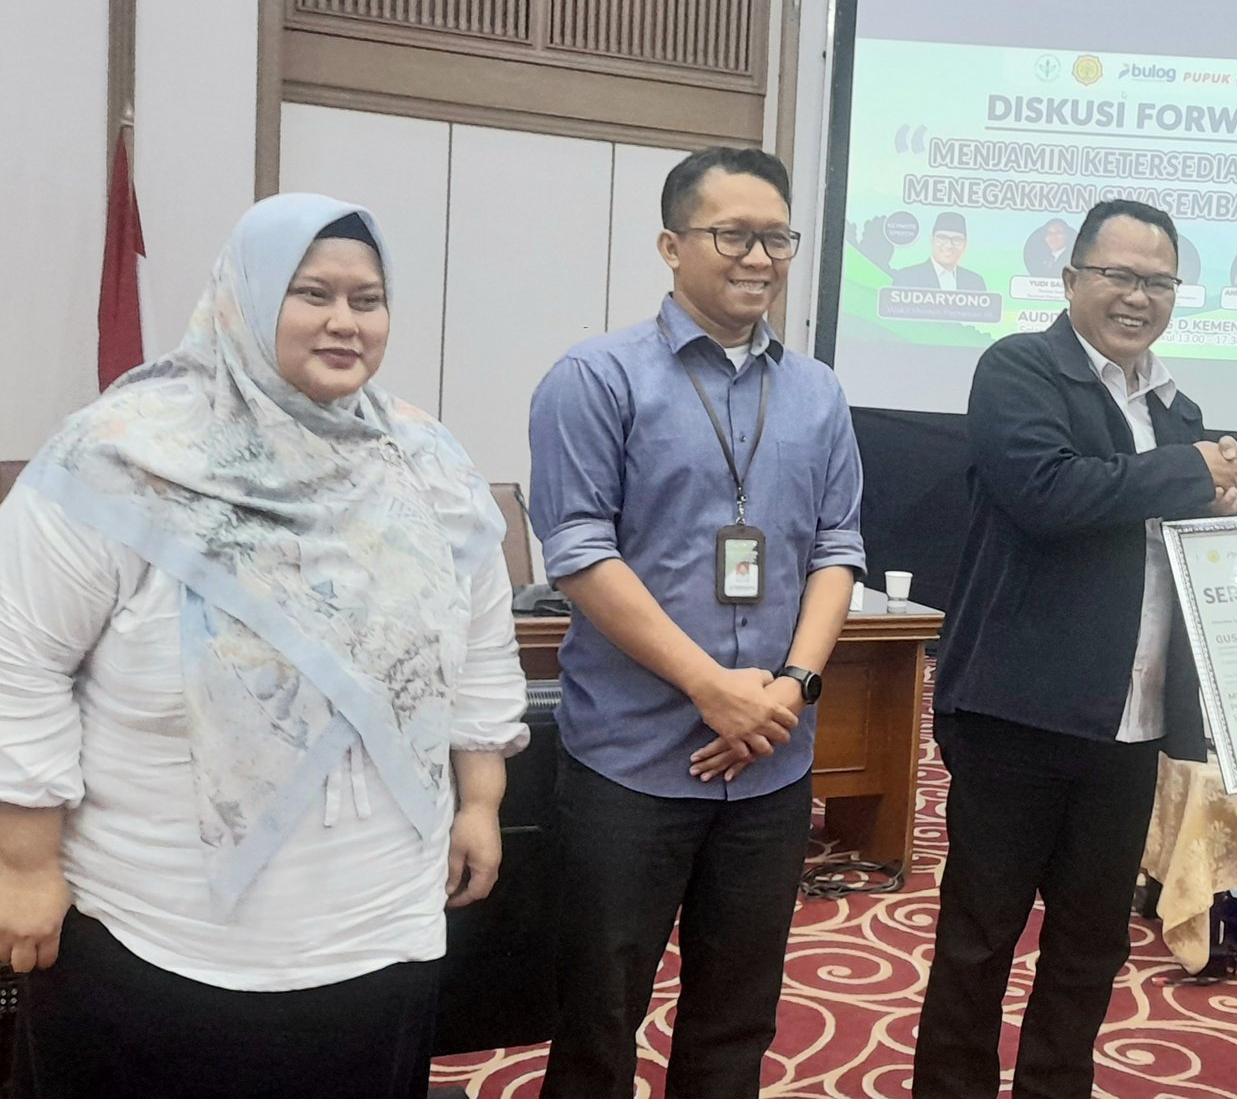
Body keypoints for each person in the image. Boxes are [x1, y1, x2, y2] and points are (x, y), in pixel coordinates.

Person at [0, 193, 530, 1099]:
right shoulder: (117, 458)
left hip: (376, 924)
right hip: (152, 927)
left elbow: (479, 643)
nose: (344, 321)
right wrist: (25, 865)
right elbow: (21, 663)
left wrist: (481, 798)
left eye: (367, 299)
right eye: (311, 292)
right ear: (243, 298)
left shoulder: (426, 463)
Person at [527, 146, 865, 1099]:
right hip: (631, 759)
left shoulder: (818, 393)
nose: (758, 257)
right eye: (732, 235)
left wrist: (792, 687)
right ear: (672, 246)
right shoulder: (596, 377)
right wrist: (711, 688)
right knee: (598, 1014)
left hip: (771, 761)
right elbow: (579, 554)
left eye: (776, 237)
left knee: (737, 1017)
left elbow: (838, 547)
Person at [913, 199, 1237, 1099]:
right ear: (1072, 281)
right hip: (1016, 715)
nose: (1138, 296)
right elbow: (1048, 491)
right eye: (1119, 275)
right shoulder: (1020, 368)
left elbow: (1166, 533)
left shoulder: (1176, 408)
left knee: (1090, 945)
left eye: (1159, 281)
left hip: (1128, 725)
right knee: (979, 939)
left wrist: (1218, 505)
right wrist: (1191, 472)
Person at [894, 211, 988, 290]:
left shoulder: (975, 282)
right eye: (942, 238)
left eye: (957, 240)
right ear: (932, 240)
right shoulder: (906, 278)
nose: (949, 245)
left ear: (965, 245)